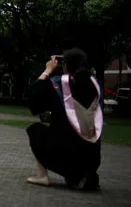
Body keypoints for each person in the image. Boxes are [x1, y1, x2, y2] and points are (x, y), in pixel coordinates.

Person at [25, 49, 102, 190]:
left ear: (65, 66)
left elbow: (33, 97)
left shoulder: (59, 84)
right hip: (92, 158)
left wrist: (47, 70)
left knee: (35, 130)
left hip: (64, 153)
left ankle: (42, 176)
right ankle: (82, 175)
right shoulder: (95, 86)